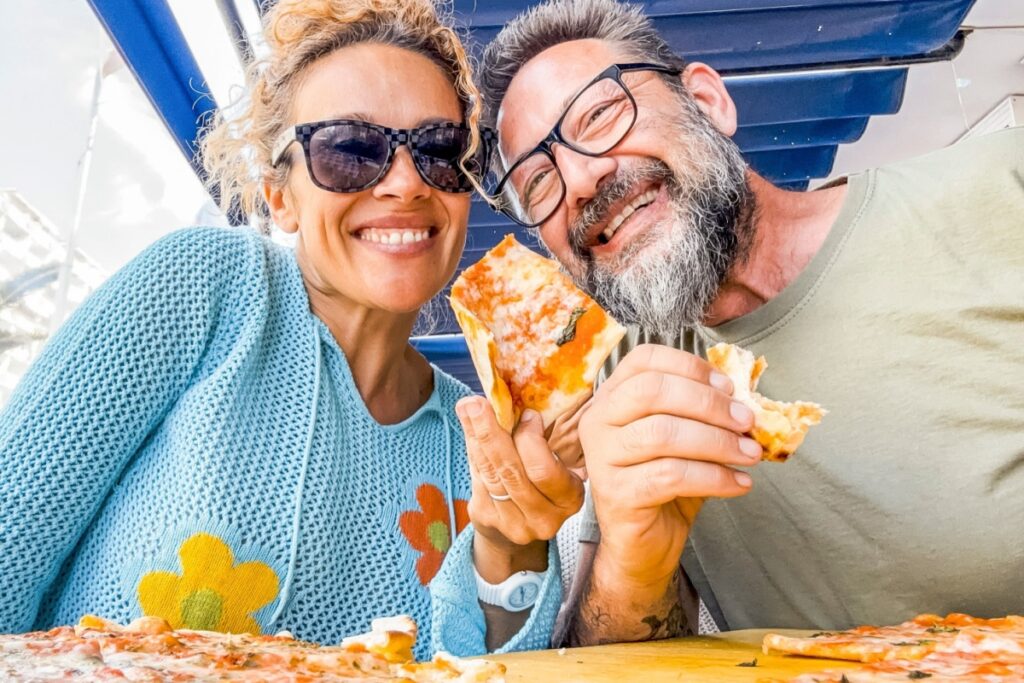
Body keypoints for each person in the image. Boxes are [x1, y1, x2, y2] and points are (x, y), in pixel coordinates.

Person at [431, 0, 1024, 656]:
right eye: (536, 182)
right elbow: (624, 660)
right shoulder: (620, 381)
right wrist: (633, 563)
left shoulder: (1002, 187)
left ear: (708, 102)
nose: (580, 179)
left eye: (599, 114)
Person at [0, 0, 496, 659]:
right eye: (349, 149)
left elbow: (486, 665)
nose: (406, 183)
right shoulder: (203, 284)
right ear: (279, 195)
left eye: (439, 150)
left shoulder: (478, 436)